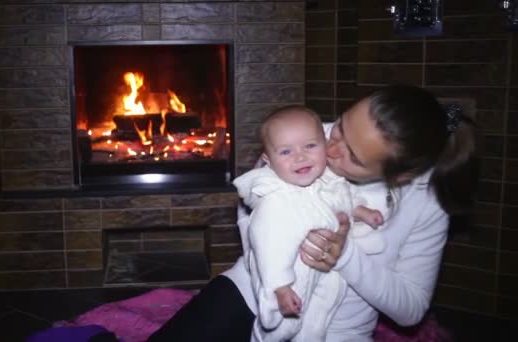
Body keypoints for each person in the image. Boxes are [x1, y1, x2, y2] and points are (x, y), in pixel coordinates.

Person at [147, 84, 476, 342]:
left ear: (399, 176)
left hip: (338, 331)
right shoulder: (304, 137)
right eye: (342, 126)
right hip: (257, 292)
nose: (330, 150)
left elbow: (411, 309)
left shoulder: (427, 203)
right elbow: (252, 213)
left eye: (354, 158)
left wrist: (344, 257)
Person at [233, 106, 386, 342]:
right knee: (276, 331)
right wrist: (279, 287)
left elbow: (340, 197)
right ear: (268, 161)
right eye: (285, 152)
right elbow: (268, 246)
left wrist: (360, 211)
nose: (300, 157)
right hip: (284, 276)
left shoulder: (326, 179)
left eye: (310, 146)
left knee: (314, 325)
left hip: (320, 276)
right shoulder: (276, 200)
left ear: (324, 145)